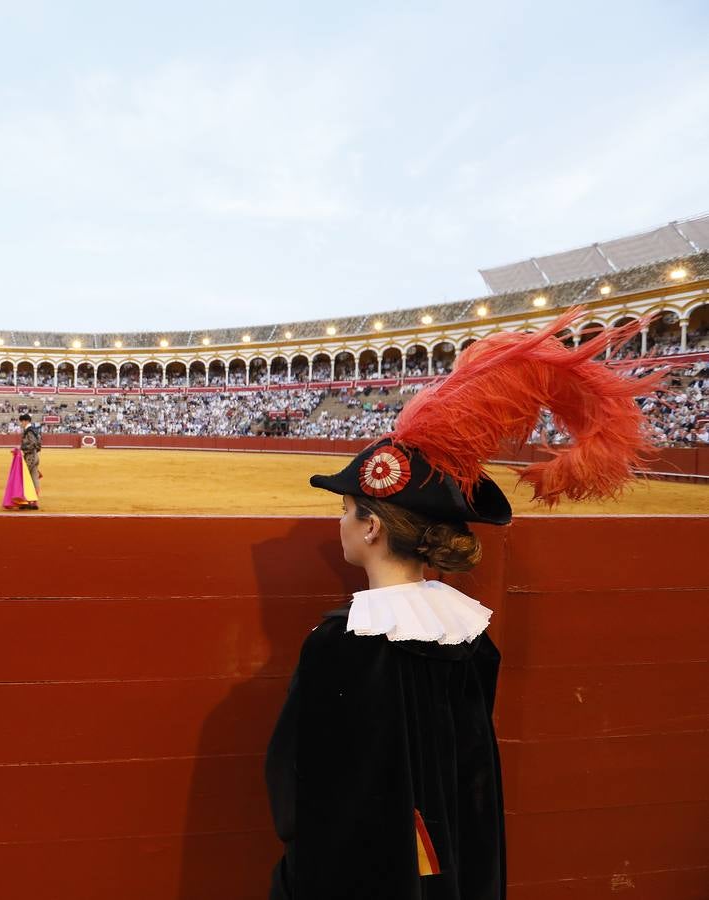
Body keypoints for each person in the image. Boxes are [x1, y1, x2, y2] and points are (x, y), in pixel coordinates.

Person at [264, 309, 661, 899]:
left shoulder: (339, 643)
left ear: (372, 528)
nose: (340, 522)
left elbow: (298, 790)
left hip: (363, 872)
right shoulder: (472, 637)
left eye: (346, 510)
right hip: (451, 858)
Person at [19, 413, 42, 491]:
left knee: (24, 476)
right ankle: (34, 499)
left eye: (21, 421)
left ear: (26, 421)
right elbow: (38, 444)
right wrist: (35, 451)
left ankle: (27, 496)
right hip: (35, 456)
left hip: (30, 457)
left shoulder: (29, 431)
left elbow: (33, 443)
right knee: (34, 477)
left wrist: (22, 448)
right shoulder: (35, 430)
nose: (21, 423)